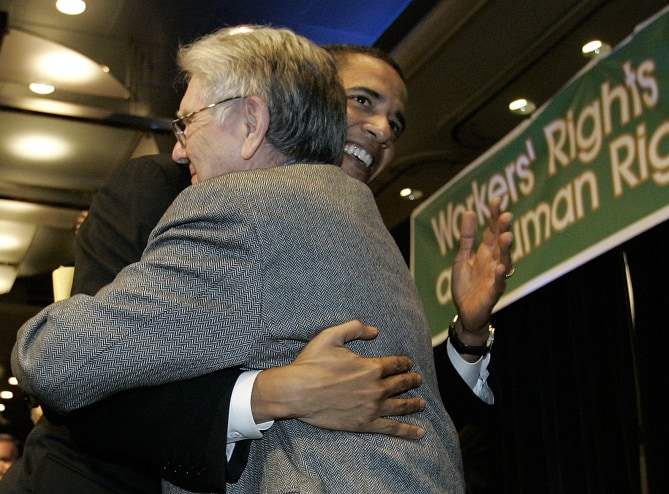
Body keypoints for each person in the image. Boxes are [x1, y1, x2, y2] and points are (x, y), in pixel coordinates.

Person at [11, 24, 465, 493]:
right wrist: (273, 391)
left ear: (252, 123)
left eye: (189, 122)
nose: (178, 149)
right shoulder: (356, 213)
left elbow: (52, 358)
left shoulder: (241, 208)